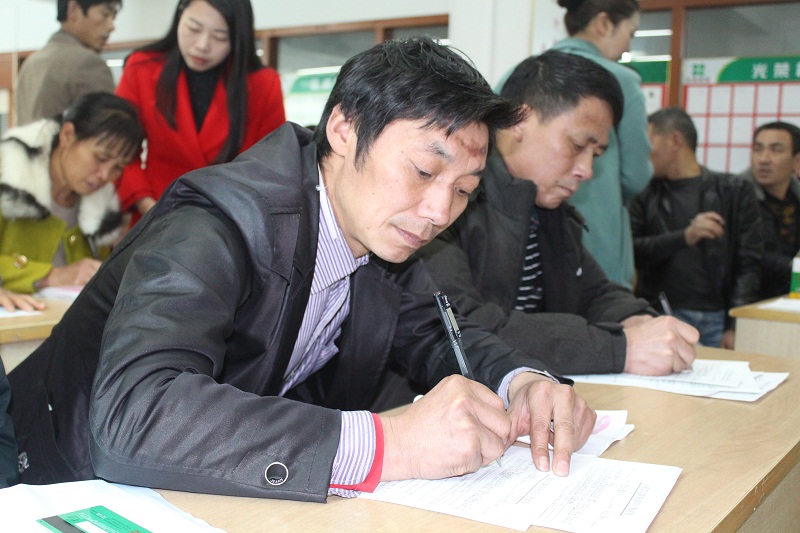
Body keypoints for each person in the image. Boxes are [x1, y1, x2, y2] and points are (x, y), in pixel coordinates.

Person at [9, 37, 595, 501]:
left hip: (201, 487)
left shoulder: (381, 238)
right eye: (423, 171)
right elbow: (136, 415)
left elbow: (442, 336)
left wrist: (523, 383)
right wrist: (388, 444)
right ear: (343, 129)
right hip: (54, 481)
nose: (440, 212)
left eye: (464, 190)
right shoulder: (217, 223)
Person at [419, 51, 698, 377]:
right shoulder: (452, 202)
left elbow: (594, 293)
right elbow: (462, 327)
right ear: (520, 121)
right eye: (578, 146)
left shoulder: (551, 213)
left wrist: (635, 319)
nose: (586, 171)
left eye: (596, 155)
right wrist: (621, 349)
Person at [115, 0, 286, 223]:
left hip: (229, 222)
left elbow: (270, 167)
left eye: (220, 37)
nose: (202, 45)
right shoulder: (142, 68)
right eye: (193, 29)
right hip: (153, 214)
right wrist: (148, 206)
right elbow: (120, 151)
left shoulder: (263, 85)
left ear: (238, 37)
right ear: (180, 15)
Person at [629, 107, 762, 349]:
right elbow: (632, 251)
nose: (644, 152)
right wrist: (684, 237)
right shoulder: (643, 194)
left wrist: (734, 325)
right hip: (661, 314)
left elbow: (749, 262)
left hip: (718, 317)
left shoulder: (733, 190)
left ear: (675, 140)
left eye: (649, 142)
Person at [550, 0, 652, 288]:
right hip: (596, 242)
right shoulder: (620, 81)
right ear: (604, 24)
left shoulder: (521, 74)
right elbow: (635, 176)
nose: (627, 47)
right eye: (630, 33)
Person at [0, 92, 143, 294]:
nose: (105, 175)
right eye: (101, 158)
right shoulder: (6, 175)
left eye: (118, 167)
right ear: (67, 135)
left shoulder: (101, 213)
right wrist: (49, 276)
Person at [15, 0, 120, 126]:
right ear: (73, 9)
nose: (112, 26)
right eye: (105, 15)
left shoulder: (31, 62)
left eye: (113, 18)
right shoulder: (88, 63)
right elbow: (107, 132)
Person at [748, 122, 800, 300]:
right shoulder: (736, 196)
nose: (764, 159)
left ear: (797, 160)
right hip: (748, 302)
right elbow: (748, 256)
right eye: (758, 149)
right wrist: (793, 265)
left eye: (776, 150)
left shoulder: (796, 197)